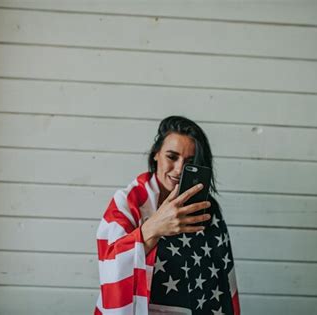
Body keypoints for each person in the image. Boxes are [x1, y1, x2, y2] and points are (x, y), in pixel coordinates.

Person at [94, 116, 240, 315]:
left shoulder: (206, 209)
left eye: (190, 162)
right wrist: (154, 228)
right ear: (156, 154)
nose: (179, 169)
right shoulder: (127, 202)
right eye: (172, 157)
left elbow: (220, 282)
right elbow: (110, 264)